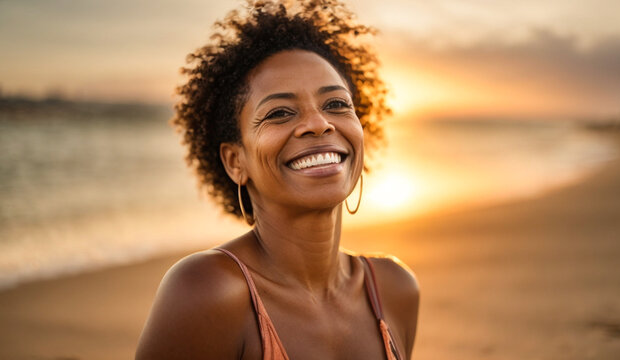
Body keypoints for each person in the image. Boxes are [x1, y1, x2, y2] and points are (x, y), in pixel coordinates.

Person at [136, 0, 419, 359]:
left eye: (336, 104)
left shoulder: (395, 287)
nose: (320, 123)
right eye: (280, 112)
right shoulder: (207, 290)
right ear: (235, 161)